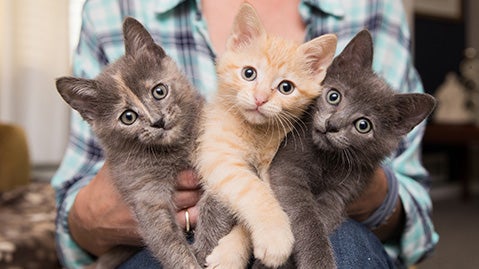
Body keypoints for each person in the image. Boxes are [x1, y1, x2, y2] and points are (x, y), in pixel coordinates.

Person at [51, 0, 439, 268]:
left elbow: (417, 207)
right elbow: (72, 206)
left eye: (284, 88)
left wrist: (363, 187)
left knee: (340, 248)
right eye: (250, 75)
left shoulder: (374, 7)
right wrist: (89, 216)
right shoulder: (112, 7)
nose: (259, 96)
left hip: (325, 217)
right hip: (156, 233)